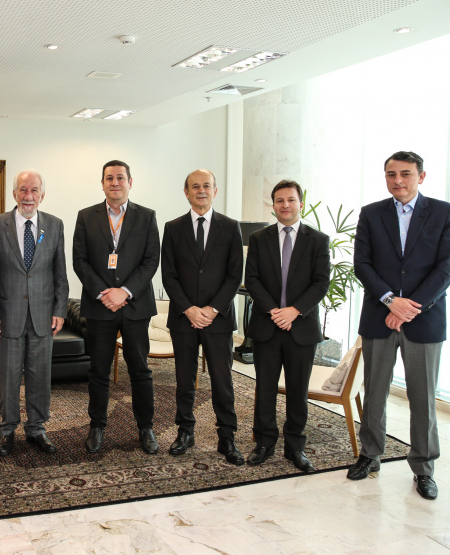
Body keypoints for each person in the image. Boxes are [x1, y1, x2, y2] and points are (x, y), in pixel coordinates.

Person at [347, 151, 450, 500]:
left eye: (406, 174)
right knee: (375, 390)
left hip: (424, 322)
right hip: (379, 317)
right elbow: (362, 264)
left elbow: (445, 269)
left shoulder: (444, 213)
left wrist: (409, 307)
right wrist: (389, 301)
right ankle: (370, 455)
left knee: (422, 398)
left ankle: (423, 469)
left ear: (421, 177)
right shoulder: (371, 214)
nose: (398, 180)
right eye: (391, 174)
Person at [72, 160, 160, 454]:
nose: (115, 183)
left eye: (120, 178)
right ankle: (97, 427)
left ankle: (146, 428)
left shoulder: (146, 217)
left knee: (140, 370)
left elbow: (150, 261)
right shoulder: (86, 216)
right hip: (100, 307)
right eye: (109, 178)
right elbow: (80, 260)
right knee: (98, 371)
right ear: (102, 183)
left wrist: (124, 291)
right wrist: (103, 293)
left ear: (130, 182)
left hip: (135, 307)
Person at [244, 180, 330, 472]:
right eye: (279, 200)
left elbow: (321, 283)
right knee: (265, 389)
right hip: (267, 327)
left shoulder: (317, 240)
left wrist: (294, 311)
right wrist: (274, 311)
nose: (285, 205)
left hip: (301, 328)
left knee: (297, 391)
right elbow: (252, 279)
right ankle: (265, 443)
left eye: (290, 200)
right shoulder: (259, 238)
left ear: (300, 203)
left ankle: (295, 447)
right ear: (273, 205)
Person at [160, 169, 244, 465]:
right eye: (195, 186)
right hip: (184, 318)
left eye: (206, 186)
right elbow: (168, 275)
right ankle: (185, 431)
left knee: (223, 380)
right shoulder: (172, 228)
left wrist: (211, 309)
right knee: (184, 380)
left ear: (215, 191)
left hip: (218, 319)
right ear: (186, 192)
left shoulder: (231, 227)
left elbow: (235, 275)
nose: (201, 190)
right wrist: (189, 309)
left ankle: (227, 436)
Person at [0, 170, 69, 456]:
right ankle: (7, 430)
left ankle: (36, 429)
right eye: (23, 190)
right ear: (14, 193)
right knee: (8, 377)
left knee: (40, 375)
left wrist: (60, 309)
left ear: (42, 195)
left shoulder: (55, 225)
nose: (28, 196)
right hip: (7, 316)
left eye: (34, 190)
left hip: (44, 315)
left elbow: (60, 274)